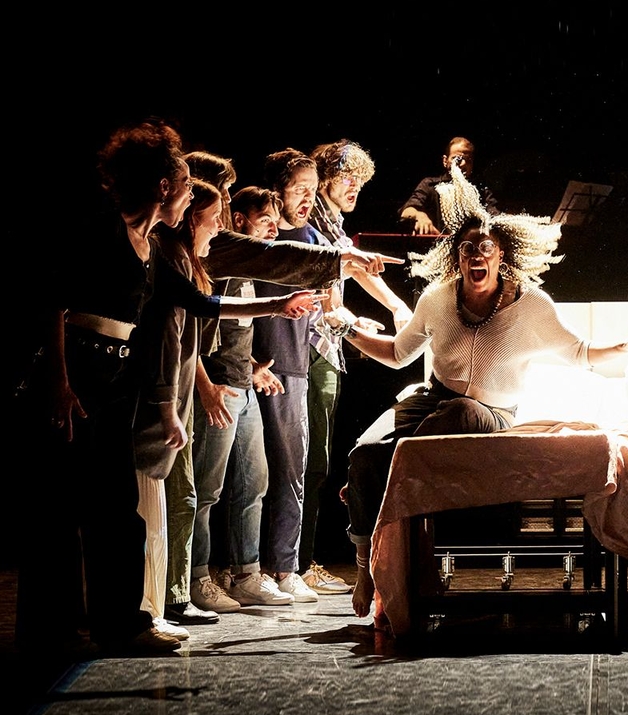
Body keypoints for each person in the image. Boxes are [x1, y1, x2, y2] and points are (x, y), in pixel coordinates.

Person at [16, 120, 322, 655]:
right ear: (163, 187)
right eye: (184, 185)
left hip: (115, 381)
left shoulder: (154, 248)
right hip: (78, 374)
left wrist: (278, 303)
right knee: (61, 510)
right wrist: (60, 383)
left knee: (117, 508)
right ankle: (49, 633)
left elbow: (202, 303)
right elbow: (54, 306)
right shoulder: (102, 229)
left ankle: (122, 624)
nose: (190, 195)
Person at [341, 162, 628, 619]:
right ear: (456, 256)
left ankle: (390, 478)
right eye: (467, 248)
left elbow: (579, 353)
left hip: (490, 413)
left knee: (461, 412)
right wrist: (346, 330)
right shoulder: (437, 298)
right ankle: (364, 565)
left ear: (501, 256)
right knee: (362, 453)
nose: (477, 255)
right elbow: (396, 354)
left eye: (485, 248)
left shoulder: (531, 305)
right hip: (433, 400)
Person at [132, 179, 327, 639]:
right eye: (213, 214)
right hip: (207, 386)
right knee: (196, 492)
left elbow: (216, 315)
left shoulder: (204, 260)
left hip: (239, 383)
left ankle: (240, 574)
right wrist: (197, 390)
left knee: (251, 482)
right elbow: (191, 326)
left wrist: (257, 361)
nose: (218, 225)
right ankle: (186, 584)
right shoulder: (183, 258)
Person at [302, 139, 413, 595]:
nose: (354, 188)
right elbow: (337, 277)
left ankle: (298, 562)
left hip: (326, 346)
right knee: (308, 462)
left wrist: (394, 306)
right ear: (325, 177)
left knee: (316, 461)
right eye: (347, 178)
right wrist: (360, 317)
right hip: (309, 347)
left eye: (360, 182)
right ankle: (295, 564)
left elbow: (356, 268)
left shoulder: (332, 222)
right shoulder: (312, 223)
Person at [398, 136, 498, 235]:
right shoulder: (430, 185)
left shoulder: (481, 190)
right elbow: (407, 211)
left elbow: (494, 216)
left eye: (468, 160)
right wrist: (420, 216)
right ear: (445, 161)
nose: (463, 164)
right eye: (457, 159)